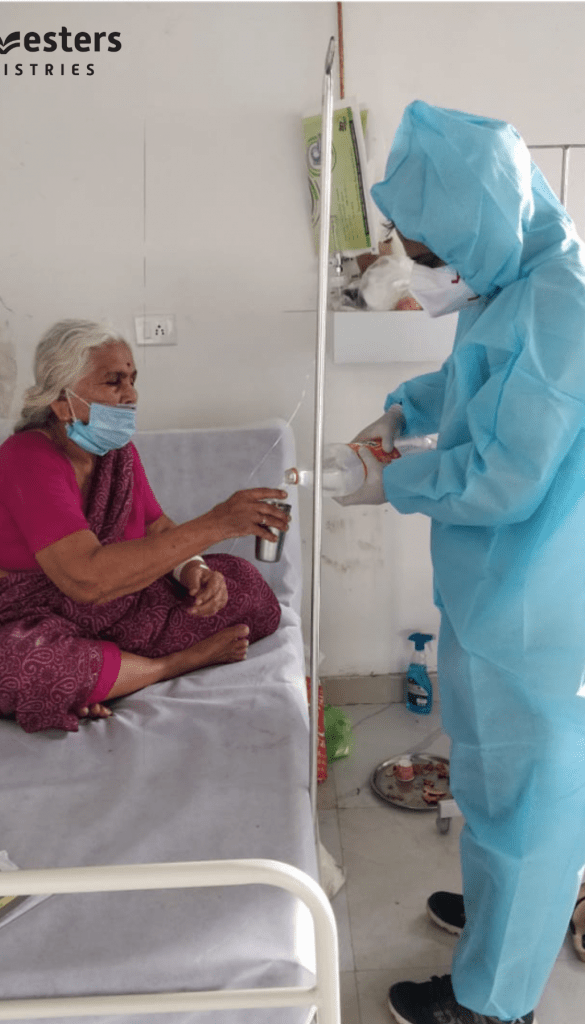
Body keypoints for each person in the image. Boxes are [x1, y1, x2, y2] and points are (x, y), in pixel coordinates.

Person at [348, 101, 585, 1024]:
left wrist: (392, 481)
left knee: (527, 805)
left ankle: (494, 1002)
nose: (421, 270)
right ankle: (493, 922)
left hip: (534, 598)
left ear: (474, 229)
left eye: (427, 251)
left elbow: (500, 478)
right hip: (494, 586)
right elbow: (468, 381)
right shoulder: (510, 280)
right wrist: (403, 411)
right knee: (488, 775)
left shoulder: (562, 305)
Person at [0, 319, 290, 734]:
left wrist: (195, 571)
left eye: (132, 380)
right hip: (17, 618)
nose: (131, 395)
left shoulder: (116, 455)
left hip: (111, 606)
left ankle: (108, 675)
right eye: (114, 382)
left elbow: (157, 528)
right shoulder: (26, 459)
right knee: (34, 666)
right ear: (62, 402)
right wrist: (216, 523)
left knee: (246, 587)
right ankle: (168, 666)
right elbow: (86, 580)